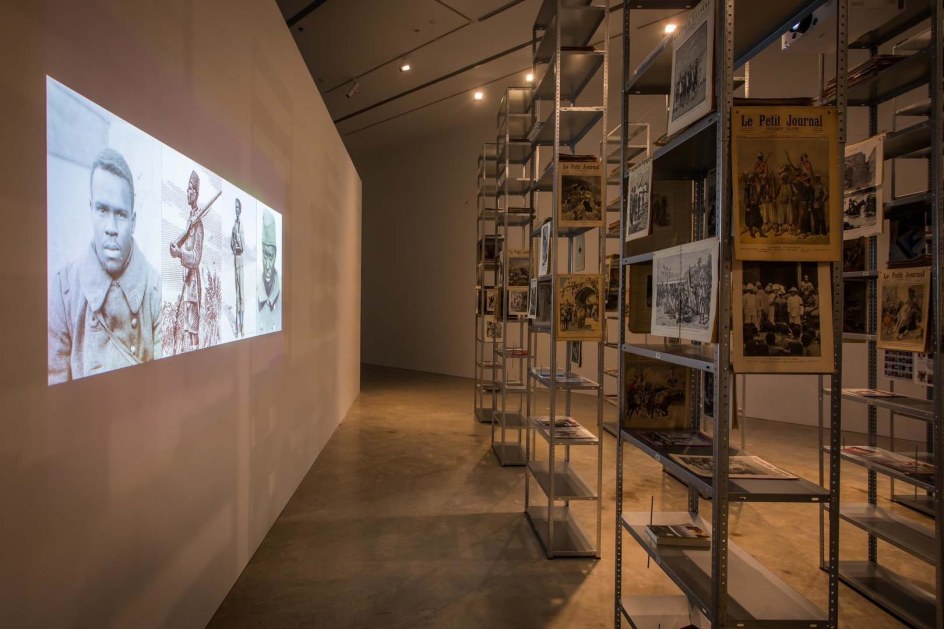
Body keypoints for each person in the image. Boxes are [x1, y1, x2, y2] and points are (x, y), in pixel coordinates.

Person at [48, 148, 161, 384]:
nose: (111, 227)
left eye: (120, 214)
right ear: (91, 210)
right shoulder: (64, 289)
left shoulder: (154, 288)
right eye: (102, 210)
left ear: (133, 221)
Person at [170, 171, 207, 352]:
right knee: (187, 329)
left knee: (193, 331)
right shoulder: (190, 221)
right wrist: (175, 246)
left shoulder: (198, 223)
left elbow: (196, 258)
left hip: (193, 284)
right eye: (187, 189)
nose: (188, 192)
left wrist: (179, 254)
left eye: (191, 189)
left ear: (196, 193)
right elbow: (184, 238)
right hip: (187, 281)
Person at [258, 209, 282, 333]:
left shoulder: (282, 293)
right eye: (264, 256)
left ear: (276, 256)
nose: (267, 265)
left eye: (270, 257)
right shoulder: (256, 291)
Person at [231, 198, 245, 337]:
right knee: (236, 295)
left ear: (240, 210)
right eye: (234, 207)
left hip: (241, 259)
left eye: (237, 207)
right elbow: (231, 244)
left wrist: (238, 241)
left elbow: (243, 247)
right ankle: (238, 328)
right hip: (236, 258)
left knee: (242, 295)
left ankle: (243, 327)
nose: (235, 209)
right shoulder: (234, 226)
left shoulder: (241, 226)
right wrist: (234, 246)